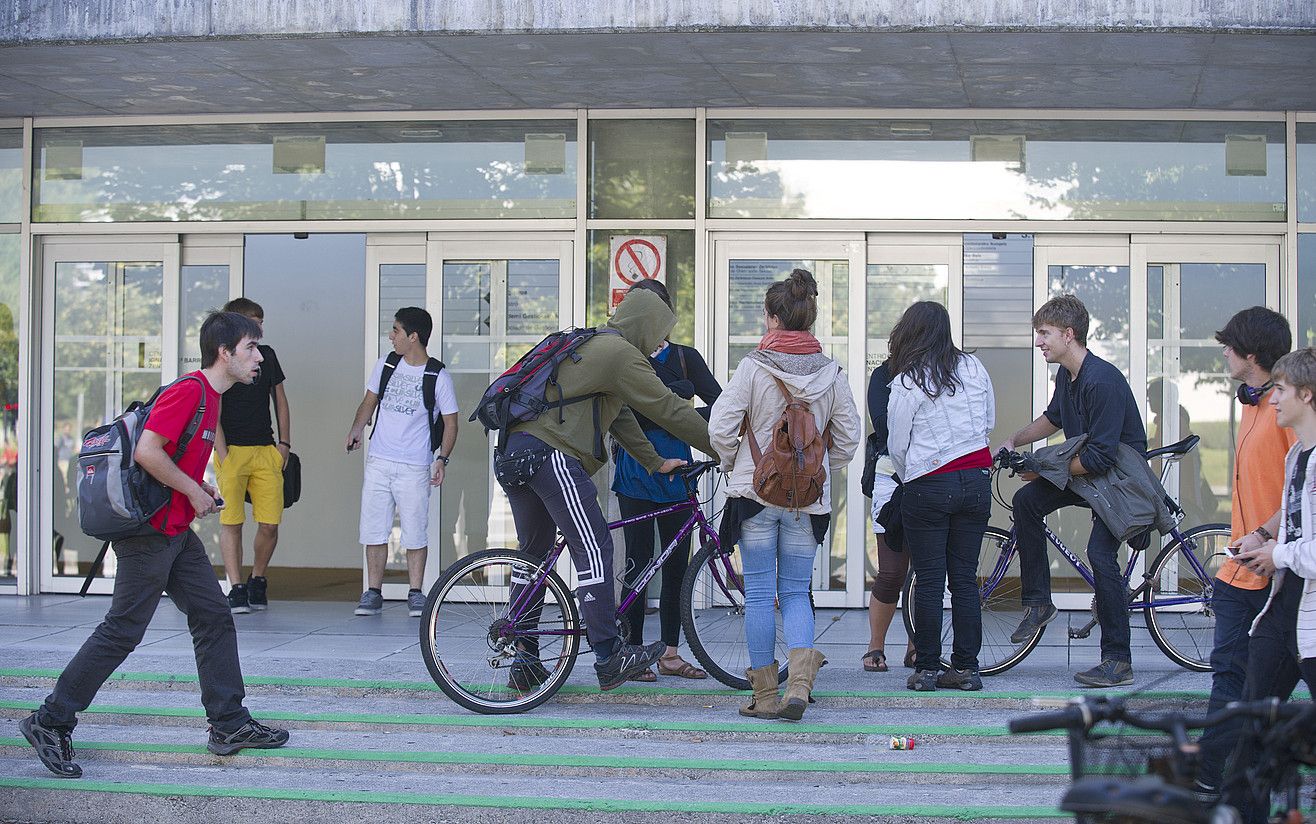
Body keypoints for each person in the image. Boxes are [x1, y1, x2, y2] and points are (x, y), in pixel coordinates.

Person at [20, 311, 289, 778]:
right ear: (224, 353)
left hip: (174, 532)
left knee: (213, 615)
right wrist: (190, 489)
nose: (258, 357)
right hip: (148, 535)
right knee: (122, 630)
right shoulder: (190, 390)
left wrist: (198, 488)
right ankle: (51, 720)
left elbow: (171, 456)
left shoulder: (213, 397)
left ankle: (228, 724)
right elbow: (147, 450)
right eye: (250, 347)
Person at [499, 287, 714, 691]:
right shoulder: (621, 354)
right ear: (647, 326)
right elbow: (667, 409)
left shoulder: (595, 344)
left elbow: (618, 417)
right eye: (658, 332)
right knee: (596, 548)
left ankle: (524, 658)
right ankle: (608, 653)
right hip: (550, 454)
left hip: (515, 451)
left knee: (534, 557)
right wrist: (727, 449)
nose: (658, 342)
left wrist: (655, 461)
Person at [708, 268, 861, 720]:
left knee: (757, 595)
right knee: (795, 593)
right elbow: (848, 441)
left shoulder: (753, 367)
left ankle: (765, 696)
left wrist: (733, 462)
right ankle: (800, 687)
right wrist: (813, 470)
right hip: (805, 503)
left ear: (773, 318)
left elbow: (720, 426)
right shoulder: (832, 373)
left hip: (754, 496)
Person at [999, 294, 1148, 687]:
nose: (1038, 342)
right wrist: (1015, 440)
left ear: (1069, 334)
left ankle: (1118, 659)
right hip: (1093, 472)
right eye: (1038, 334)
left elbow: (1100, 458)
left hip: (1118, 480)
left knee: (1100, 554)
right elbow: (1054, 418)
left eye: (1044, 333)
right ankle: (1038, 603)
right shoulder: (1068, 375)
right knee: (1025, 502)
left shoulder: (1102, 381)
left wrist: (1046, 469)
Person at [1194, 307, 1293, 794]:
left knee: (1244, 679)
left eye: (1229, 348)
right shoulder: (1254, 403)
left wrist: (1266, 535)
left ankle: (1217, 775)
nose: (1224, 355)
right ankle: (1216, 774)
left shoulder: (1286, 407)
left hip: (1276, 570)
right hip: (1240, 570)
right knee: (1230, 675)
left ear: (1251, 355)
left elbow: (1304, 489)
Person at [611, 279, 722, 682]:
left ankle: (671, 653)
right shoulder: (621, 356)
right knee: (638, 564)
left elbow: (720, 402)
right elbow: (623, 415)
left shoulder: (686, 357)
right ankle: (633, 651)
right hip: (636, 472)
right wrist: (678, 394)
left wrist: (694, 418)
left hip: (678, 471)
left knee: (677, 565)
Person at [885, 302, 996, 691]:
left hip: (928, 485)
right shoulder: (974, 368)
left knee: (929, 579)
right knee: (964, 579)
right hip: (976, 480)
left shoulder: (908, 379)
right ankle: (966, 668)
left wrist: (911, 473)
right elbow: (989, 422)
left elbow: (896, 443)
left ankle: (927, 668)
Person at [1226, 348, 1316, 824]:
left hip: (1312, 624)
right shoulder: (1299, 453)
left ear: (1306, 394)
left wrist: (1275, 554)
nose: (1272, 399)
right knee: (1252, 724)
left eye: (1280, 389)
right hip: (1284, 611)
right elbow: (1296, 519)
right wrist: (1263, 537)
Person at [345, 307, 459, 618]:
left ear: (413, 337)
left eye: (396, 331)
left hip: (414, 465)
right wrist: (357, 428)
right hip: (379, 461)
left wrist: (441, 459)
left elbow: (451, 423)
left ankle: (415, 592)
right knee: (373, 529)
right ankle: (373, 592)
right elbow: (369, 402)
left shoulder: (438, 376)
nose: (391, 336)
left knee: (414, 531)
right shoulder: (385, 365)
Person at [213, 297, 292, 614]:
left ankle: (257, 578)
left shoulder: (266, 356)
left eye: (261, 321)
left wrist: (284, 444)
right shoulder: (221, 357)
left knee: (270, 523)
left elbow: (281, 399)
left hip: (265, 450)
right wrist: (222, 450)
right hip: (232, 451)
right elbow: (212, 404)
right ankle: (236, 586)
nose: (260, 327)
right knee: (231, 521)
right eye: (254, 320)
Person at [862, 358, 914, 673]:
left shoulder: (943, 372)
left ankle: (916, 648)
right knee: (892, 572)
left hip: (932, 476)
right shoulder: (884, 375)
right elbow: (883, 425)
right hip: (890, 477)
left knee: (924, 573)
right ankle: (875, 645)